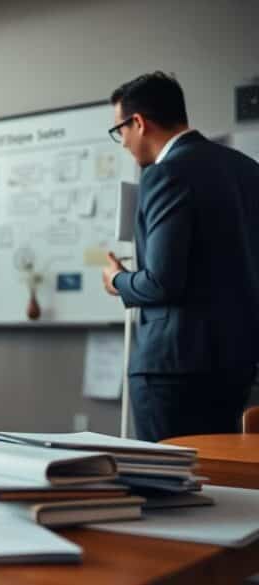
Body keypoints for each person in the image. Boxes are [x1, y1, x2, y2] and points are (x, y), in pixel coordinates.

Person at [102, 72, 259, 442]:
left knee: (164, 488)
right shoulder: (248, 170)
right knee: (219, 484)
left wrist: (118, 281)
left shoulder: (165, 174)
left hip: (172, 368)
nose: (122, 143)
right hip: (236, 364)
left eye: (120, 130)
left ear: (138, 123)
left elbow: (161, 281)